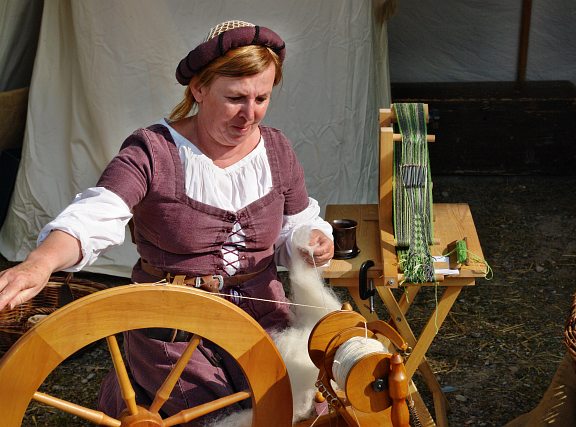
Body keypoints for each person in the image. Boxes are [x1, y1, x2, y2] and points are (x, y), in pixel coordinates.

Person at [0, 20, 334, 423]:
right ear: (199, 89)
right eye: (235, 98)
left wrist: (310, 240)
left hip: (264, 317)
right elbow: (95, 214)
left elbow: (295, 225)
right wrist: (40, 263)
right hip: (174, 329)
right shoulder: (152, 151)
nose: (249, 114)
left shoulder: (277, 151)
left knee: (302, 404)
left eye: (261, 98)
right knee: (211, 413)